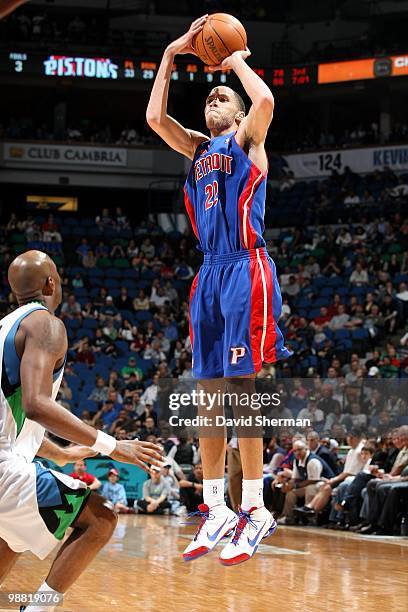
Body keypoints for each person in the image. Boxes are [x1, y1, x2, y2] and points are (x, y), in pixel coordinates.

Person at [146, 15, 290, 566]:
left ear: (236, 112)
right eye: (209, 98)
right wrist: (170, 53)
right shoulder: (198, 149)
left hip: (246, 267)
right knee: (208, 393)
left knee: (240, 386)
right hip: (209, 273)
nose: (214, 100)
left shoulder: (247, 138)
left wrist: (233, 60)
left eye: (223, 98)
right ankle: (216, 508)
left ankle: (254, 506)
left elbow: (268, 101)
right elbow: (155, 115)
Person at [0, 251, 163, 611]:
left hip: (7, 464)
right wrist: (111, 445)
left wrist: (64, 453)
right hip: (4, 471)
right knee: (101, 518)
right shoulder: (45, 324)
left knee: (14, 537)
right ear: (51, 284)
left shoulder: (5, 328)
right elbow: (36, 405)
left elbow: (15, 422)